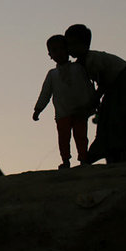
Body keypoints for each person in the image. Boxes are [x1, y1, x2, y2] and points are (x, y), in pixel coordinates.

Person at [65, 25, 126, 164]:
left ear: (84, 44)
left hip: (124, 78)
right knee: (109, 116)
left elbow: (102, 84)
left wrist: (93, 102)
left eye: (72, 44)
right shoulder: (80, 65)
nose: (69, 48)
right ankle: (113, 153)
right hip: (115, 84)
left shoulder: (91, 59)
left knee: (125, 113)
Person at [33, 34, 96, 168]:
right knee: (63, 138)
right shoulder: (52, 74)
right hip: (62, 113)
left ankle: (83, 159)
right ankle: (66, 161)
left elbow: (87, 86)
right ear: (50, 54)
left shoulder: (78, 68)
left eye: (62, 48)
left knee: (81, 136)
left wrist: (93, 104)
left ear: (68, 50)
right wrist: (38, 109)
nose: (59, 53)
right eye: (54, 50)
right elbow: (45, 93)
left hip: (80, 111)